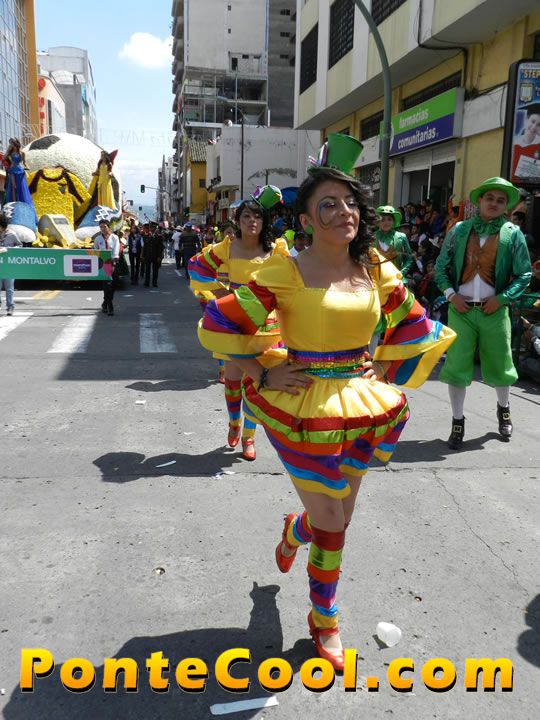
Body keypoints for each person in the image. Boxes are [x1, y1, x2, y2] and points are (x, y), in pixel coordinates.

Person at [197, 134, 455, 669]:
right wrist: (261, 370)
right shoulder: (286, 270)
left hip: (362, 403)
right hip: (301, 407)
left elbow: (412, 321)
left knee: (337, 517)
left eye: (350, 202)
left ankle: (294, 533)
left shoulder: (376, 268)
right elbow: (220, 319)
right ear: (306, 220)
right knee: (333, 521)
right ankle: (324, 618)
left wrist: (383, 366)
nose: (344, 212)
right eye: (329, 204)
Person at [190, 185, 288, 461]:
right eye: (246, 216)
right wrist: (221, 293)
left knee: (257, 384)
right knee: (232, 382)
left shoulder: (276, 251)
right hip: (234, 324)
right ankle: (234, 423)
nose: (252, 221)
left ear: (264, 221)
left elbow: (293, 280)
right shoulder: (228, 247)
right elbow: (197, 267)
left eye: (257, 217)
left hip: (266, 326)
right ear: (238, 220)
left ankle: (249, 437)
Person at [435, 177, 532, 449]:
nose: (494, 203)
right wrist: (451, 296)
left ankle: (504, 409)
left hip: (494, 311)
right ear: (479, 201)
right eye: (490, 198)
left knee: (501, 366)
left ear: (506, 206)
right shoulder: (459, 230)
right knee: (456, 367)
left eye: (501, 200)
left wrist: (502, 299)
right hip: (461, 311)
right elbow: (440, 267)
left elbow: (524, 274)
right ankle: (457, 421)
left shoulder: (513, 233)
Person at [4, 138, 37, 222]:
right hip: (12, 172)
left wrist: (27, 168)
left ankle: (22, 205)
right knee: (13, 187)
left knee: (21, 188)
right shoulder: (10, 153)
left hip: (20, 172)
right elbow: (4, 157)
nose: (11, 145)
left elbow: (24, 163)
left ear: (16, 144)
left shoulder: (22, 153)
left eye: (12, 143)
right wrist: (8, 149)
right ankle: (14, 204)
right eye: (10, 143)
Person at [93, 219, 120, 316]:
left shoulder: (114, 238)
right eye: (101, 227)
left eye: (104, 227)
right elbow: (95, 251)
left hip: (113, 263)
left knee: (113, 286)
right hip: (103, 264)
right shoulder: (98, 239)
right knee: (106, 286)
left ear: (109, 227)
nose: (103, 229)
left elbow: (116, 252)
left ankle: (105, 303)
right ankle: (110, 306)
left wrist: (114, 264)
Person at [0, 212, 22, 315]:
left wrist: (9, 249)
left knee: (9, 287)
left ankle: (10, 307)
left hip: (9, 265)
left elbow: (20, 246)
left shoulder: (12, 234)